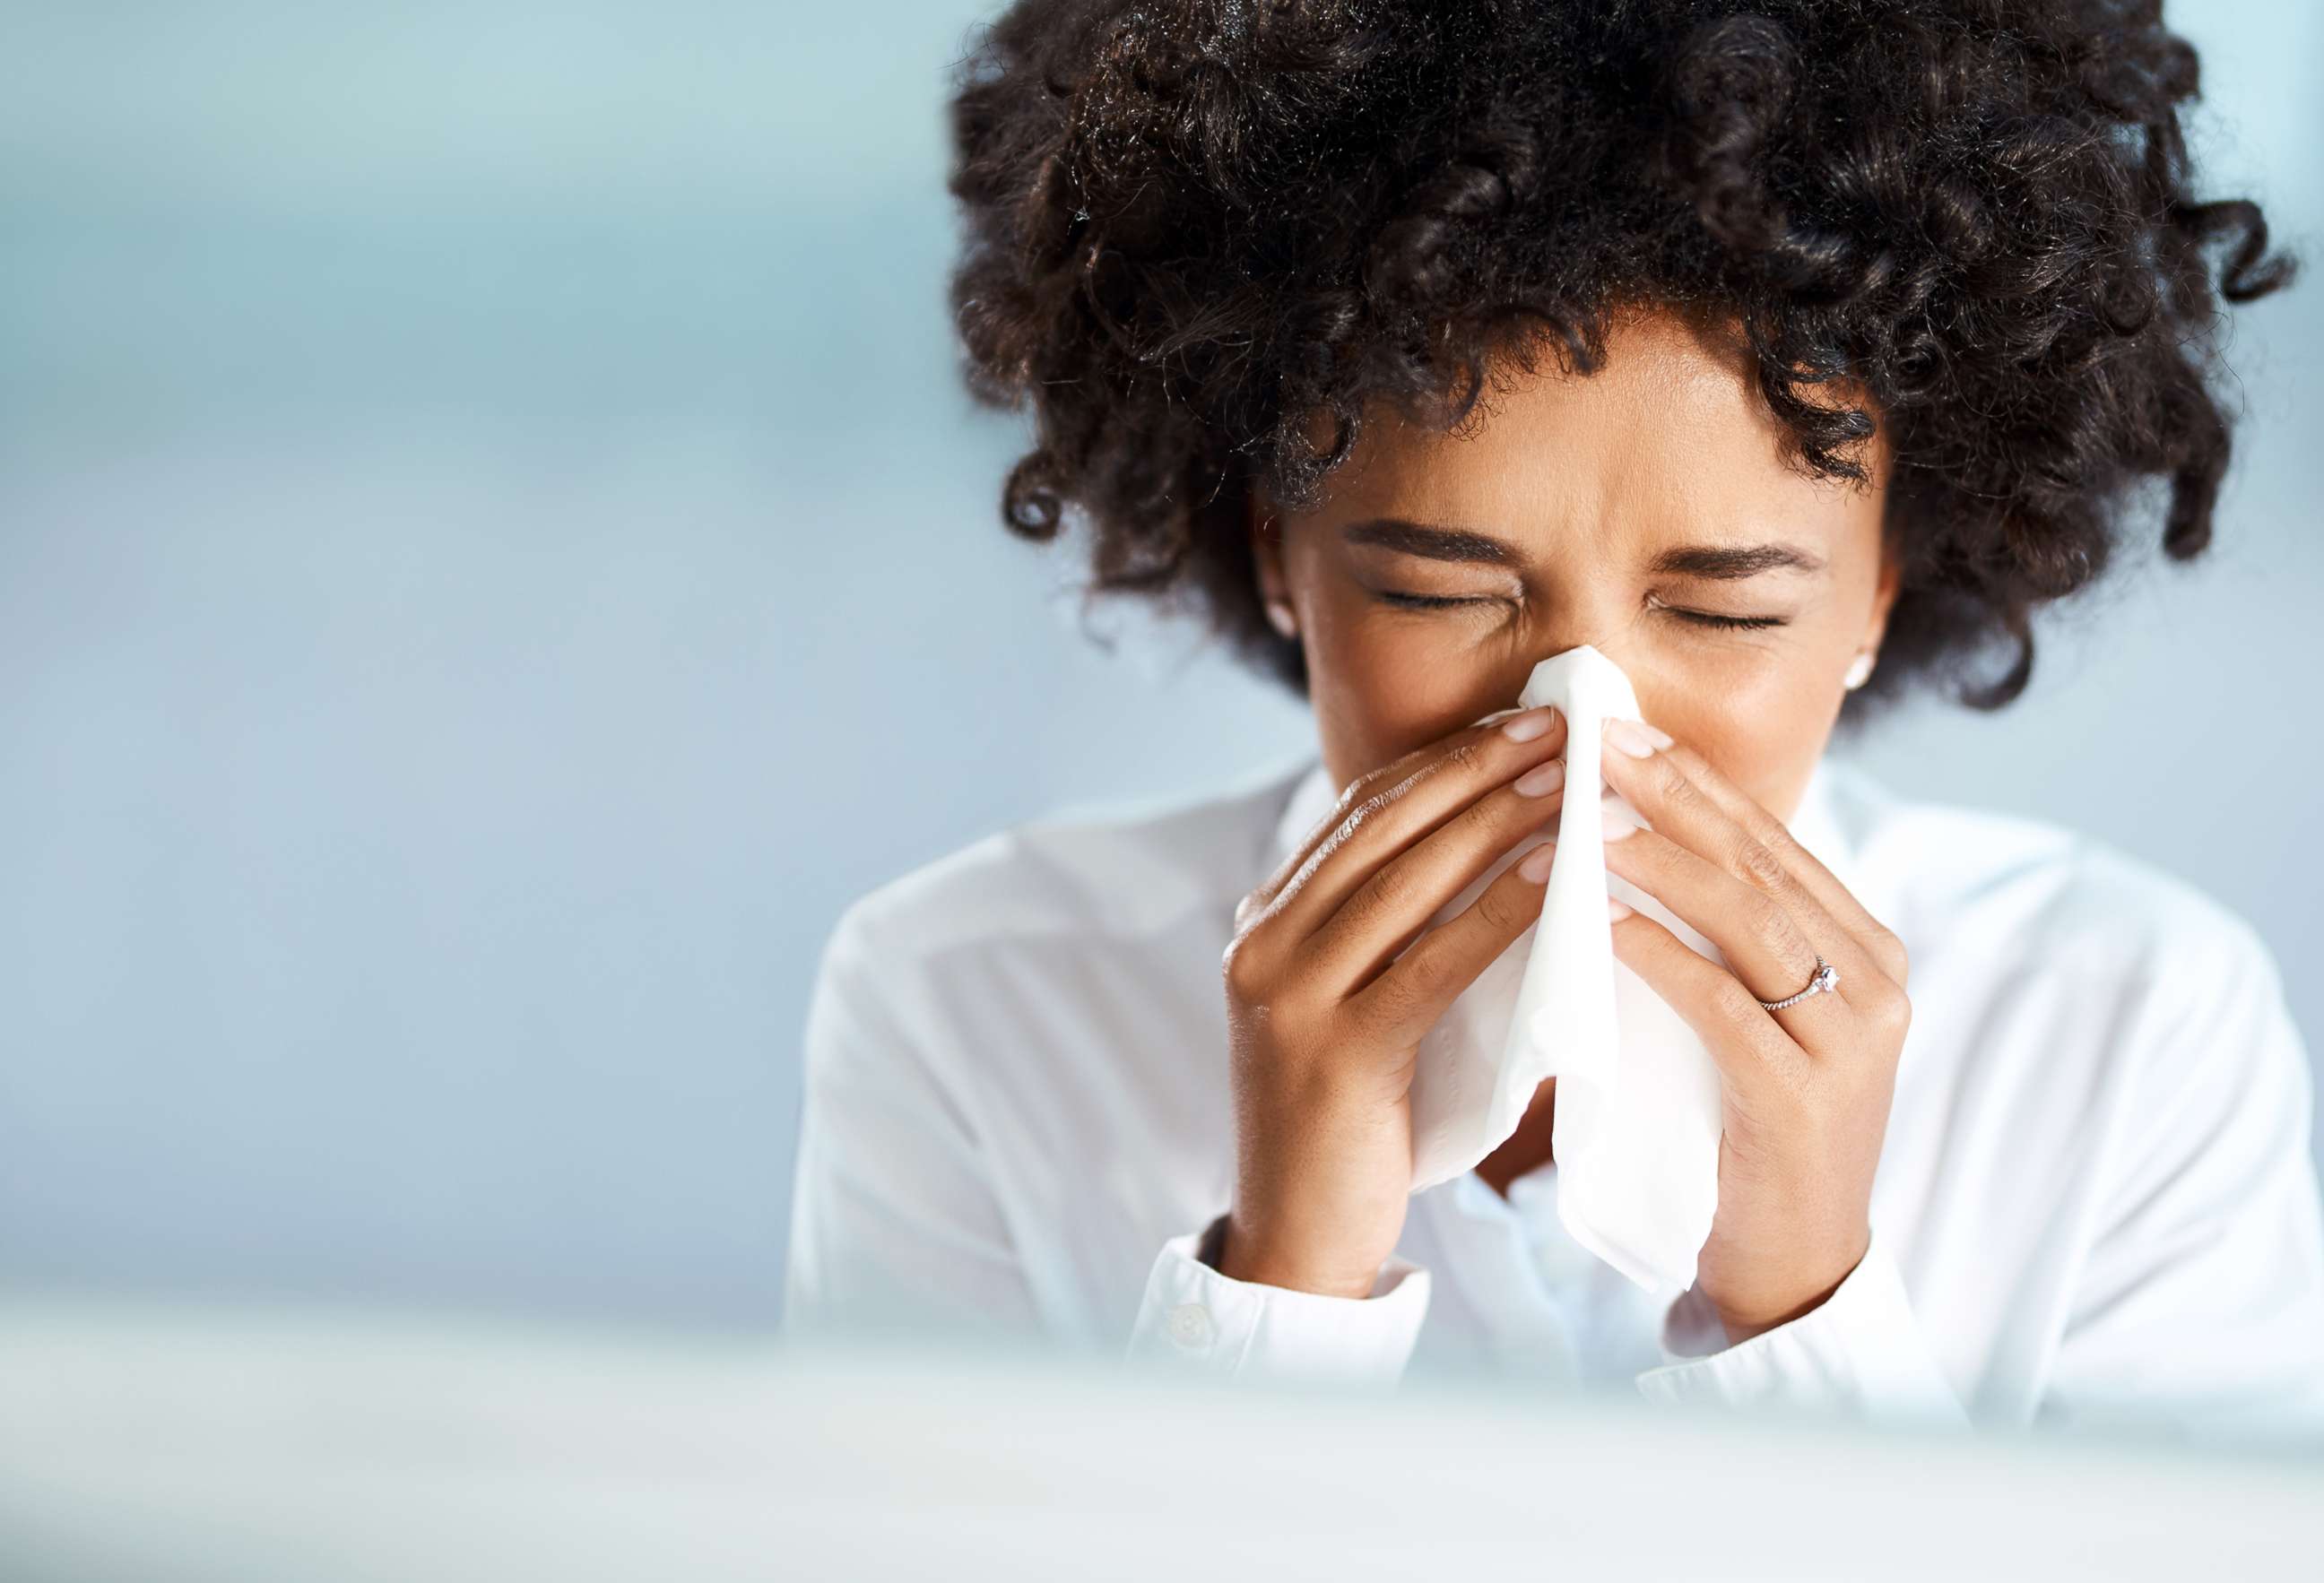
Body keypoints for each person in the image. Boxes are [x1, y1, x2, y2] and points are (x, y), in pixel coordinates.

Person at [783, 0, 2324, 1439]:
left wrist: (1804, 1307)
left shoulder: (2127, 1034)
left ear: (1879, 593)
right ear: (1274, 552)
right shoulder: (973, 1006)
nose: (1585, 728)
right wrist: (1279, 1281)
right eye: (1440, 593)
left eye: (1725, 610)